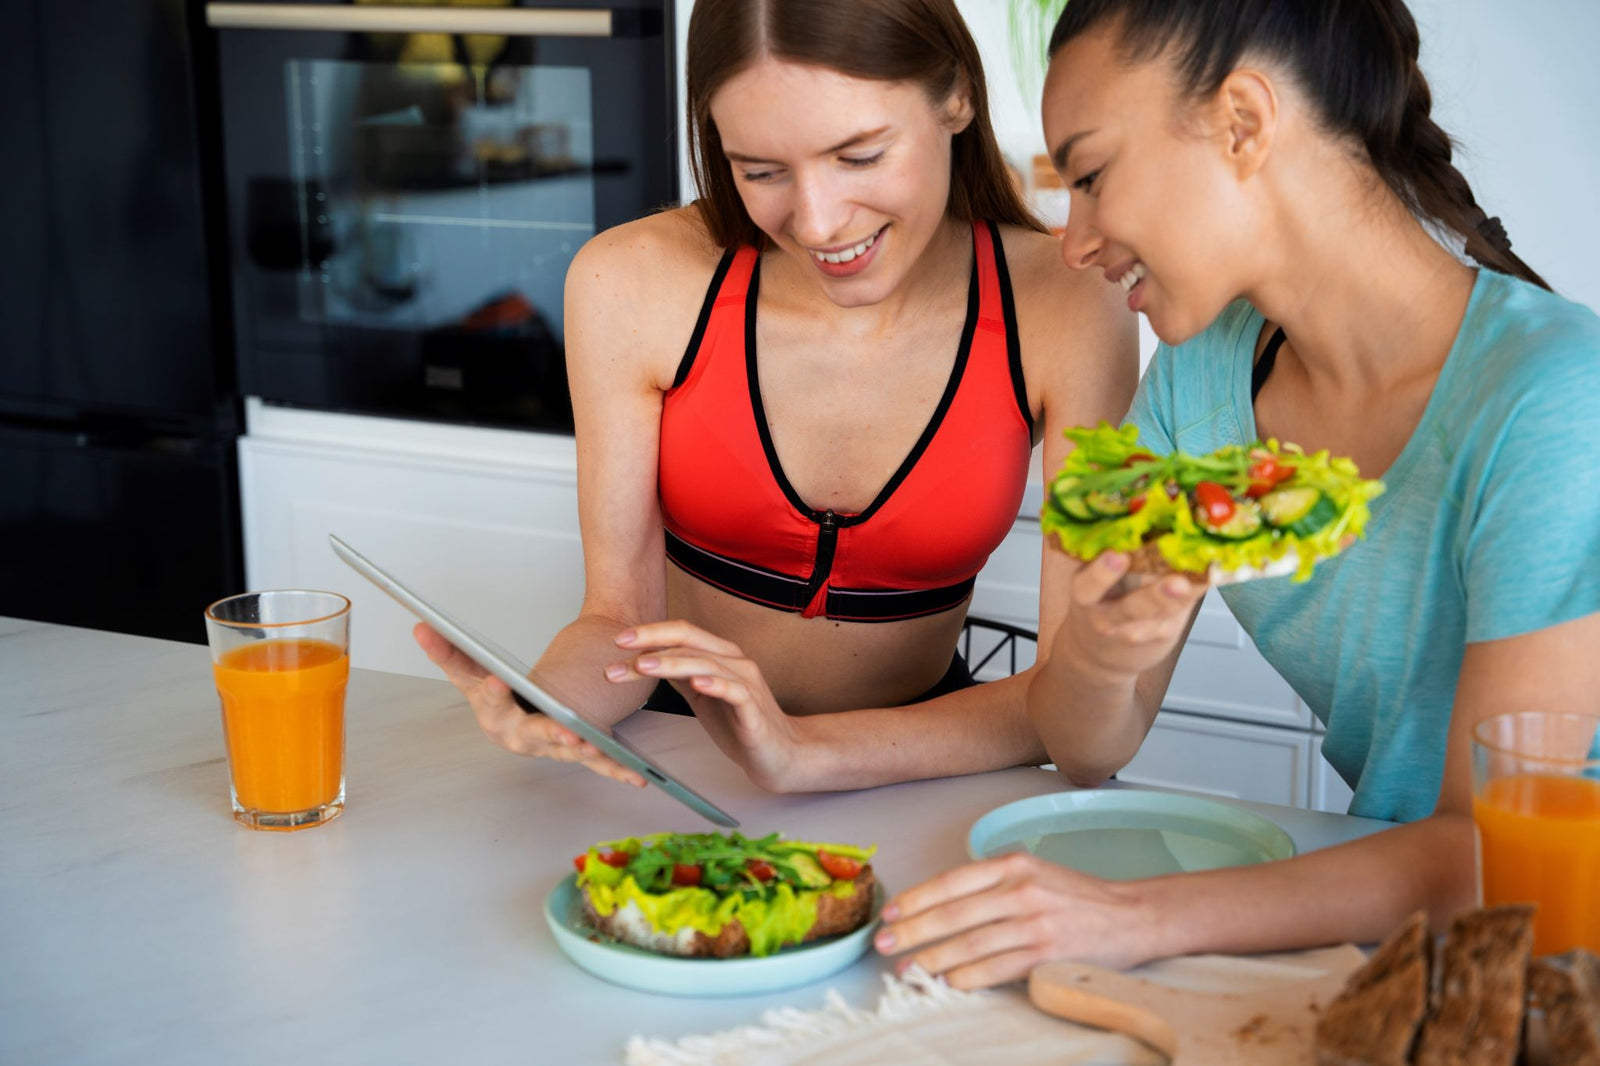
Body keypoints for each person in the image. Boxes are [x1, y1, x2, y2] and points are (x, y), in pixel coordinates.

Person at [875, 0, 1600, 987]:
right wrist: (1101, 646)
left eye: (1089, 175)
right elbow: (1091, 748)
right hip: (1416, 955)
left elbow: (1490, 852)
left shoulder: (1554, 397)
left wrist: (1126, 917)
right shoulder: (1199, 378)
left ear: (1243, 122)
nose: (1075, 242)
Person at [414, 0, 1135, 792]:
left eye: (859, 156)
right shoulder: (631, 281)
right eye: (760, 171)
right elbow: (616, 620)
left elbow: (1069, 703)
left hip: (922, 764)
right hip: (682, 760)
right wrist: (547, 702)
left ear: (955, 96)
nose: (820, 223)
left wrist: (803, 755)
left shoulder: (1067, 304)